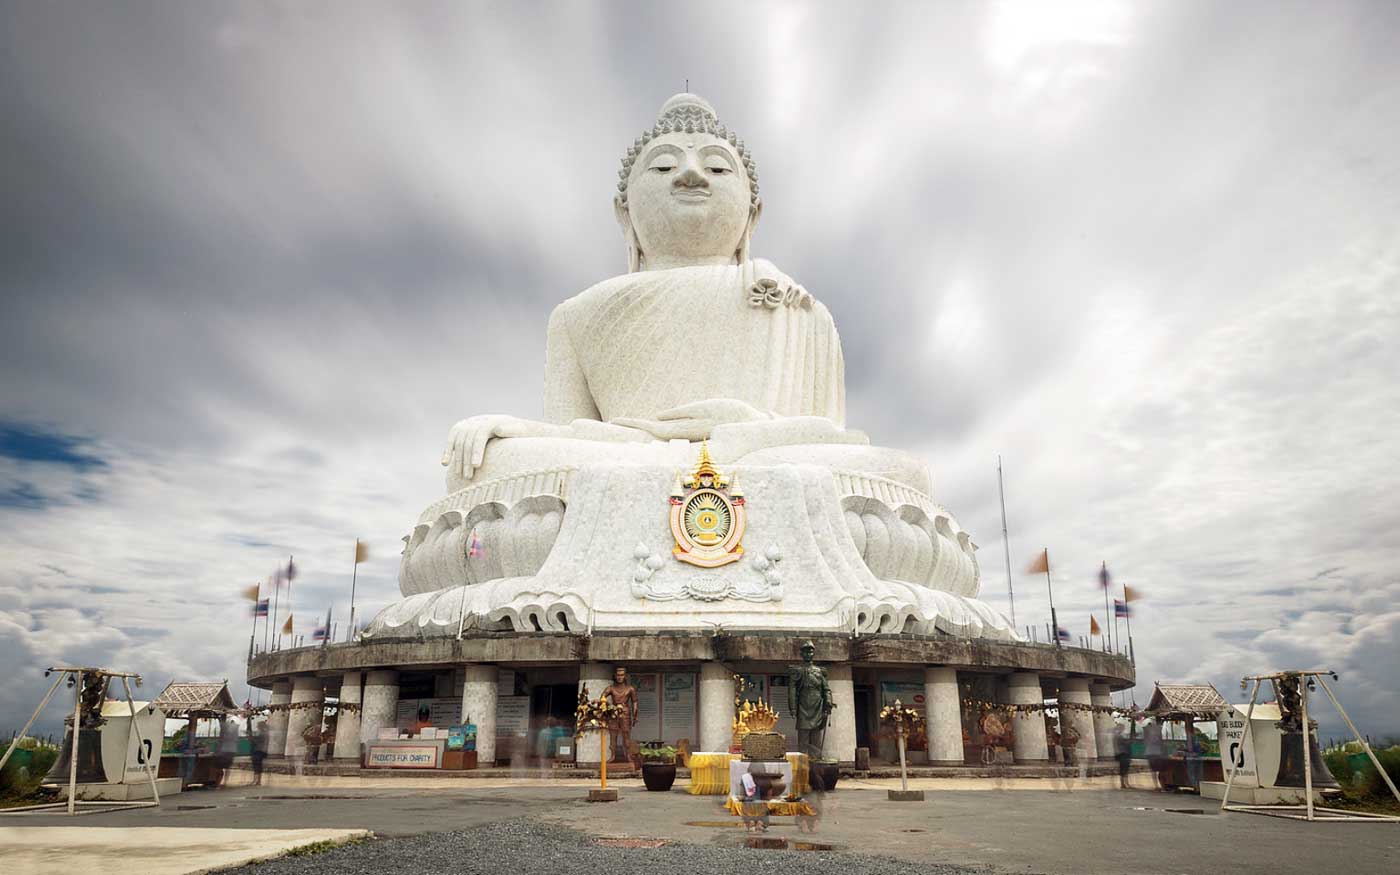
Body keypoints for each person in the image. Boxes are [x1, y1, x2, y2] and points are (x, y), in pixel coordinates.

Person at [215, 716, 239, 786]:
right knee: (225, 767)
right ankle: (223, 781)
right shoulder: (234, 732)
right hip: (229, 750)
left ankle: (222, 782)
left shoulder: (230, 732)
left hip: (226, 750)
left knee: (222, 767)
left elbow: (223, 739)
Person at [1114, 724, 1133, 789]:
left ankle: (1123, 784)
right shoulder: (1120, 736)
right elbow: (1125, 744)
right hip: (1123, 754)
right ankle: (1125, 783)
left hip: (1121, 754)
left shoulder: (1117, 736)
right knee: (1125, 770)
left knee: (1123, 770)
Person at [250, 721, 267, 786]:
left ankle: (256, 780)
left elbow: (257, 742)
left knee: (256, 766)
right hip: (262, 751)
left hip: (258, 751)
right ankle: (258, 781)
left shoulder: (261, 733)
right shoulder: (265, 733)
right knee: (258, 766)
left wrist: (252, 739)